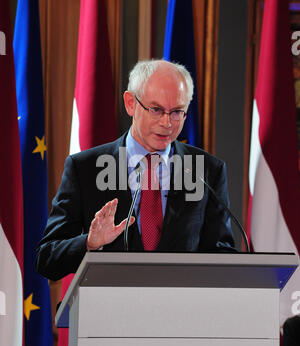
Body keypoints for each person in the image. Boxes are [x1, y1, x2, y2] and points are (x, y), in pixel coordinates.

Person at [36, 59, 236, 281]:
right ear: (131, 103)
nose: (167, 123)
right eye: (156, 110)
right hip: (107, 310)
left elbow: (222, 256)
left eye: (177, 112)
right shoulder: (85, 169)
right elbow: (47, 259)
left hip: (181, 311)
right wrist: (89, 243)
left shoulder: (207, 171)